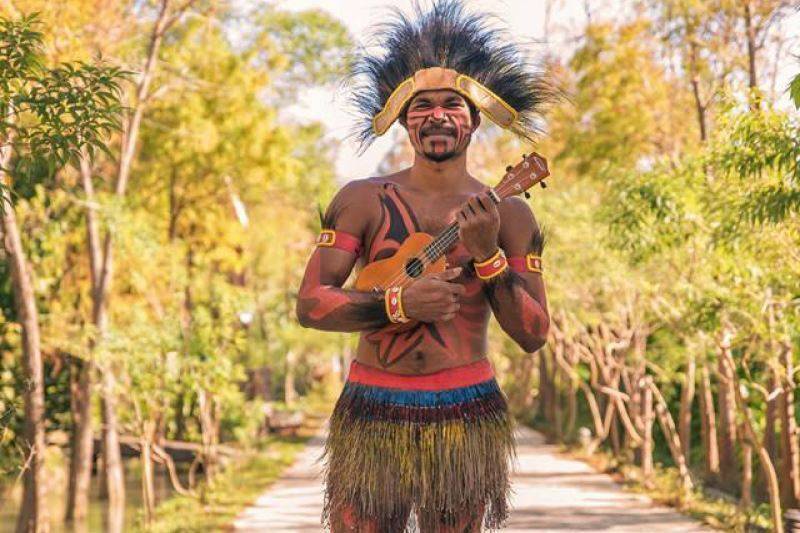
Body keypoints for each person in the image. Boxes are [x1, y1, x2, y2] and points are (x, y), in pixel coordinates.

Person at [296, 1, 555, 530]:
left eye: (452, 105)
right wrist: (397, 303)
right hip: (372, 409)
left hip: (464, 412)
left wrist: (488, 258)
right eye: (422, 105)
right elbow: (311, 304)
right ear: (403, 121)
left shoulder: (510, 213)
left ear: (475, 120)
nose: (437, 115)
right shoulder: (362, 199)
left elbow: (533, 333)